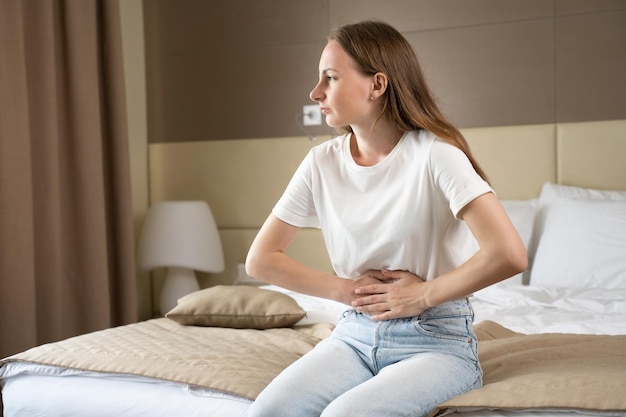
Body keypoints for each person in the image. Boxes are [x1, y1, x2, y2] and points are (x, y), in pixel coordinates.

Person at [244, 20, 527, 417]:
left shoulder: (436, 154)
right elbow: (262, 259)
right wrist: (346, 291)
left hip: (436, 340)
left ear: (377, 85)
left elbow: (508, 253)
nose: (315, 93)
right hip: (354, 334)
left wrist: (421, 295)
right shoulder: (321, 163)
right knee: (267, 412)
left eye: (331, 78)